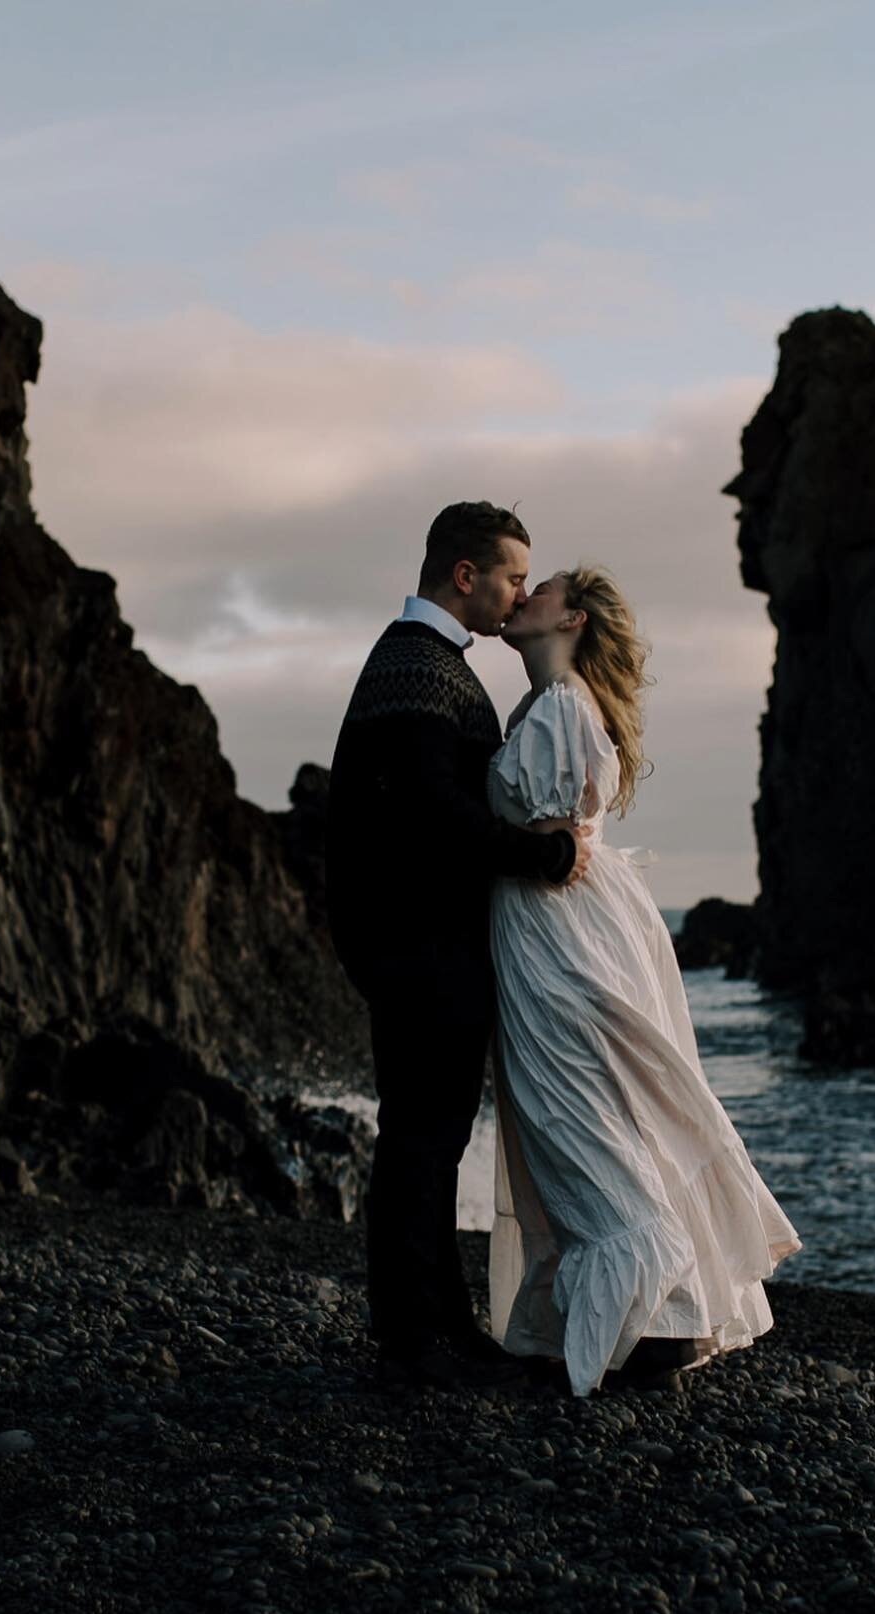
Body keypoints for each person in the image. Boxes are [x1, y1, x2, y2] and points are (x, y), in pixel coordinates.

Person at [486, 565, 803, 1397]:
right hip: (573, 928)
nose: (523, 597)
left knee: (575, 1110)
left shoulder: (560, 709)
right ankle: (666, 1315)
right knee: (607, 1111)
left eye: (540, 587)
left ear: (576, 618)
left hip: (556, 937)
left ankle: (651, 1301)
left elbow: (548, 844)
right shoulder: (554, 708)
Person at [325, 502, 590, 1391]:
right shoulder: (416, 667)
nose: (522, 592)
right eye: (514, 576)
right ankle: (415, 1335)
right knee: (422, 1137)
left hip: (415, 939)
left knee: (424, 1133)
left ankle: (434, 1322)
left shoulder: (419, 662)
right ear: (466, 576)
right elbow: (435, 817)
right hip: (419, 943)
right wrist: (546, 854)